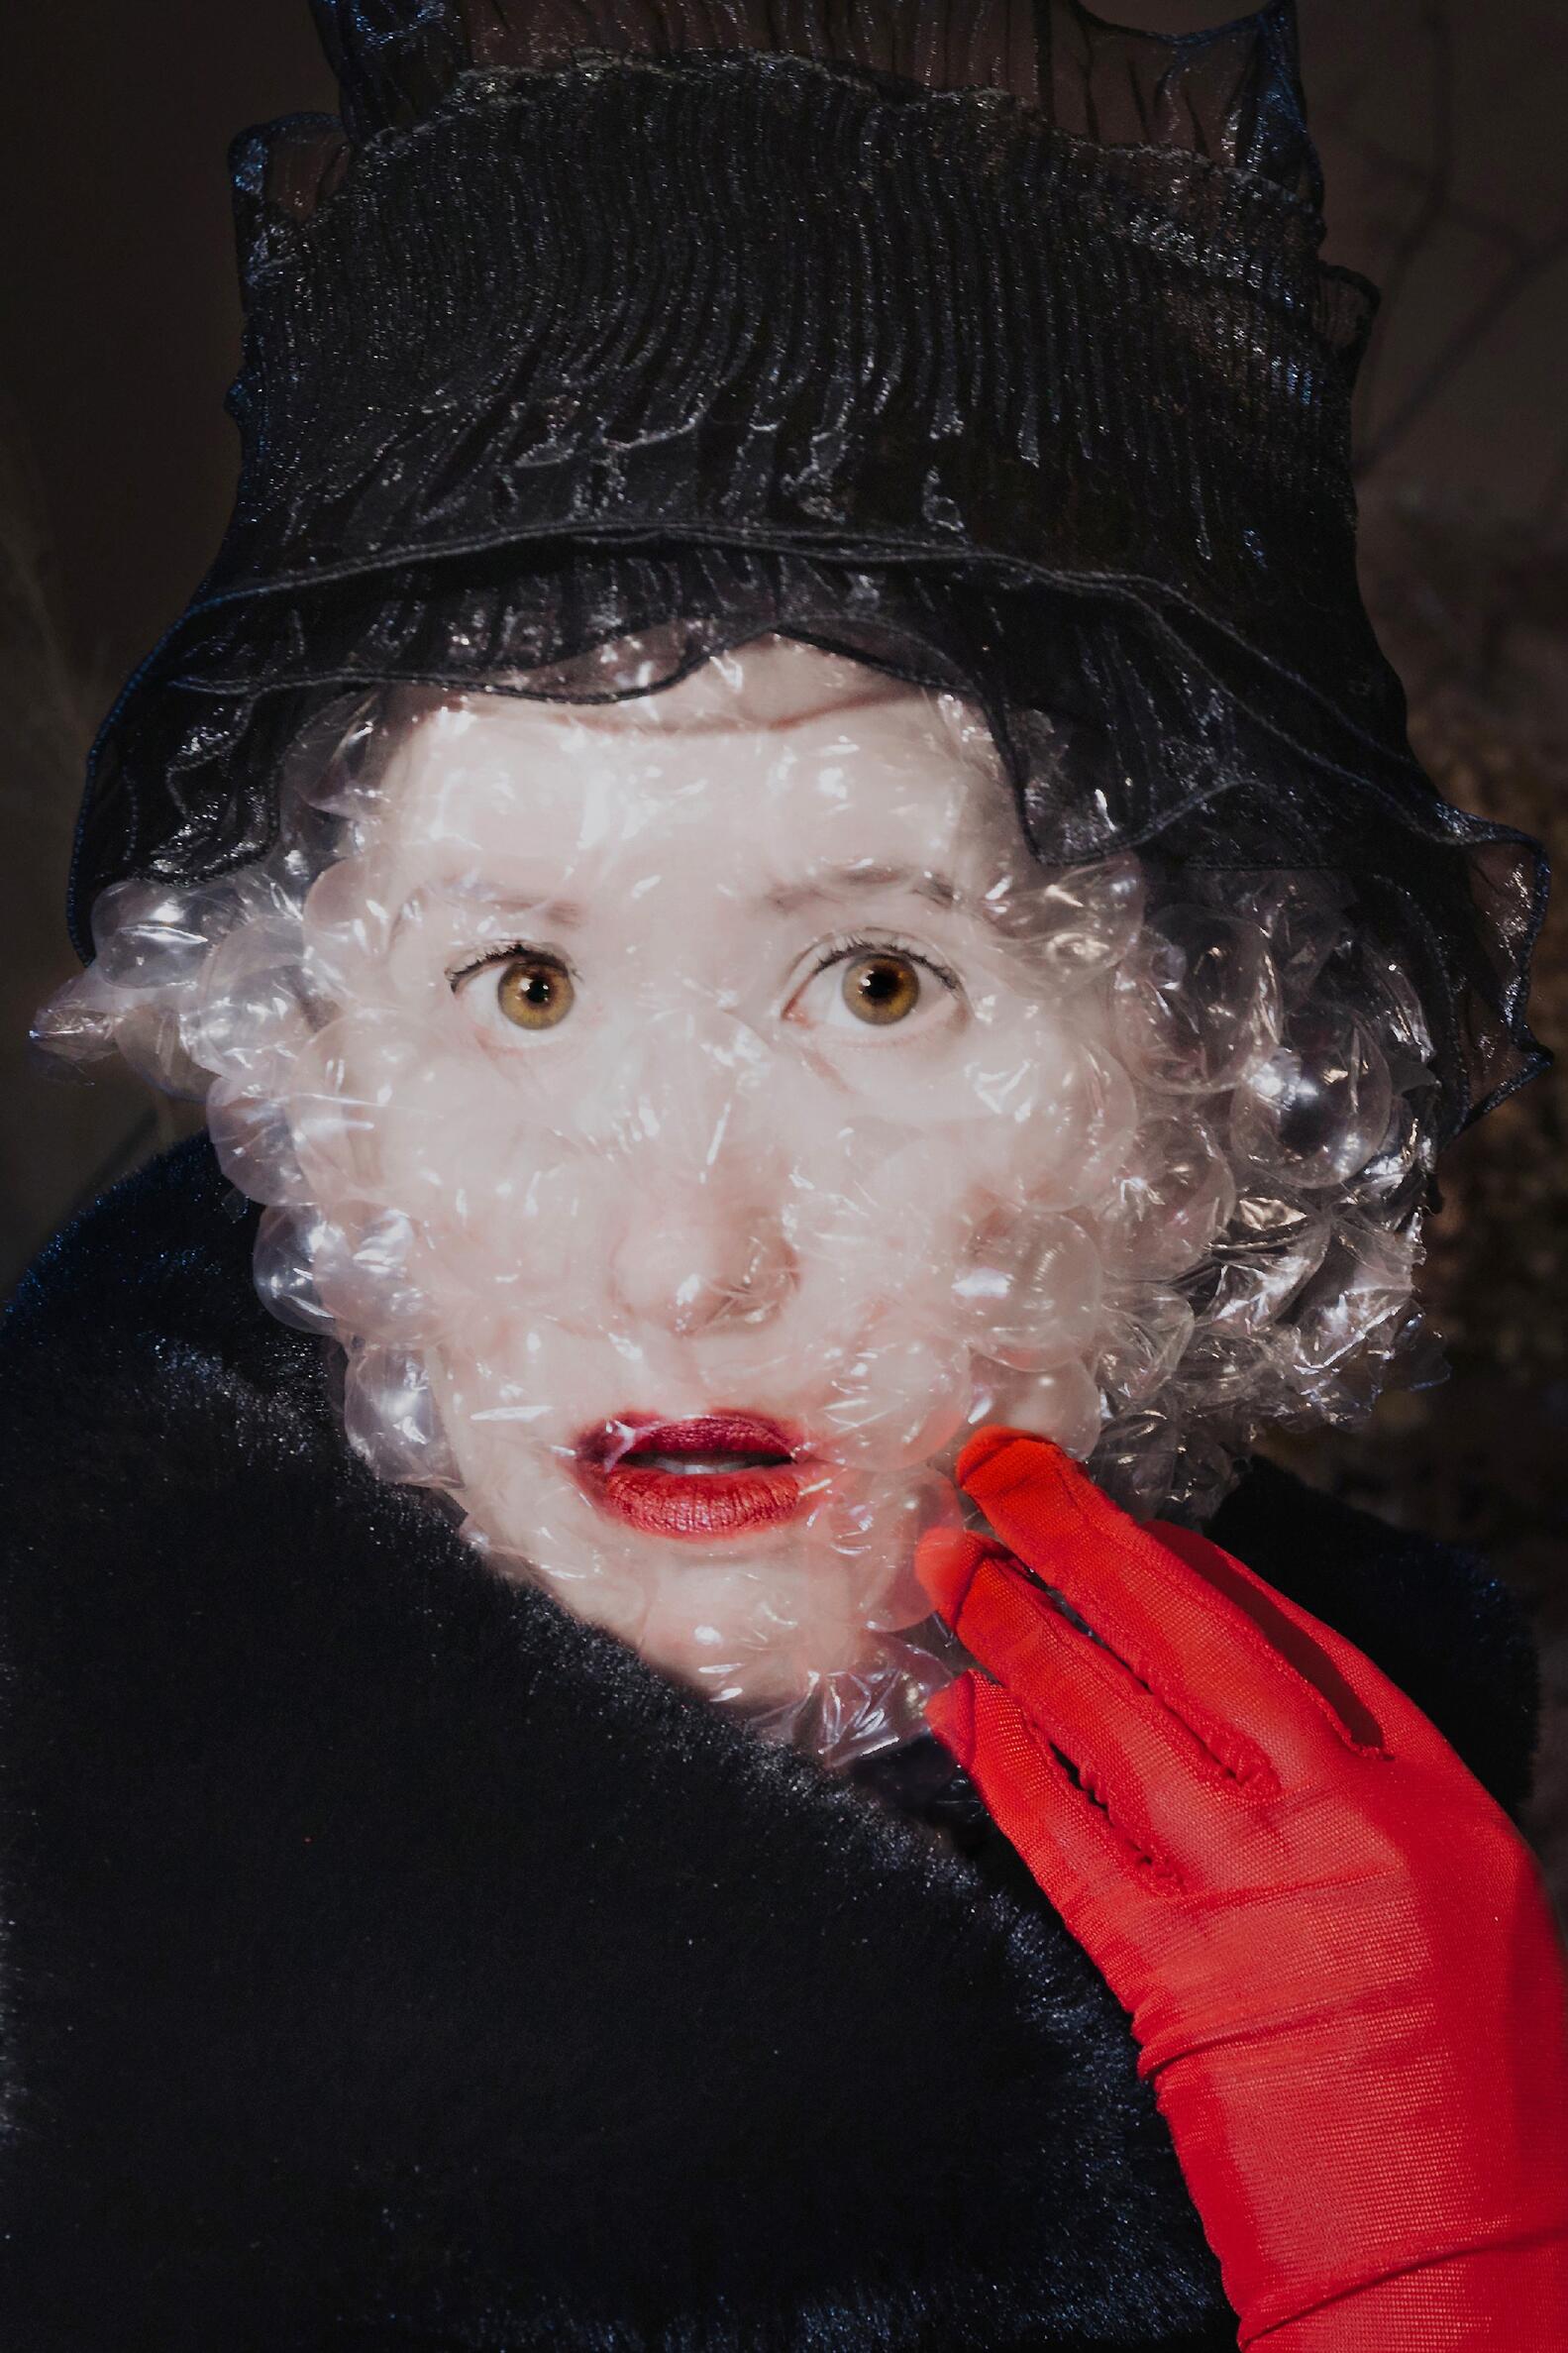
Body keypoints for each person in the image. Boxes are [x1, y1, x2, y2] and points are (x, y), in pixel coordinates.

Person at [3, 4, 1565, 2347]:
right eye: (518, 983)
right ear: (298, 1066)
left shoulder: (1400, 1850)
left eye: (880, 987)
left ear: (1218, 1078)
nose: (685, 1255)